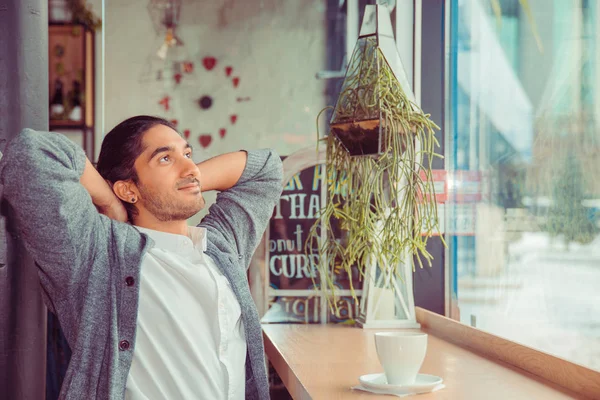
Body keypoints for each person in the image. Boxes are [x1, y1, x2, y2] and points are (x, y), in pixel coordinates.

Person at [0, 115, 283, 399]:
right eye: (164, 159)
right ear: (128, 188)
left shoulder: (222, 246)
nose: (190, 166)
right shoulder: (98, 253)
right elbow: (31, 154)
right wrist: (111, 201)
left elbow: (266, 170)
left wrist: (186, 181)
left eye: (187, 153)